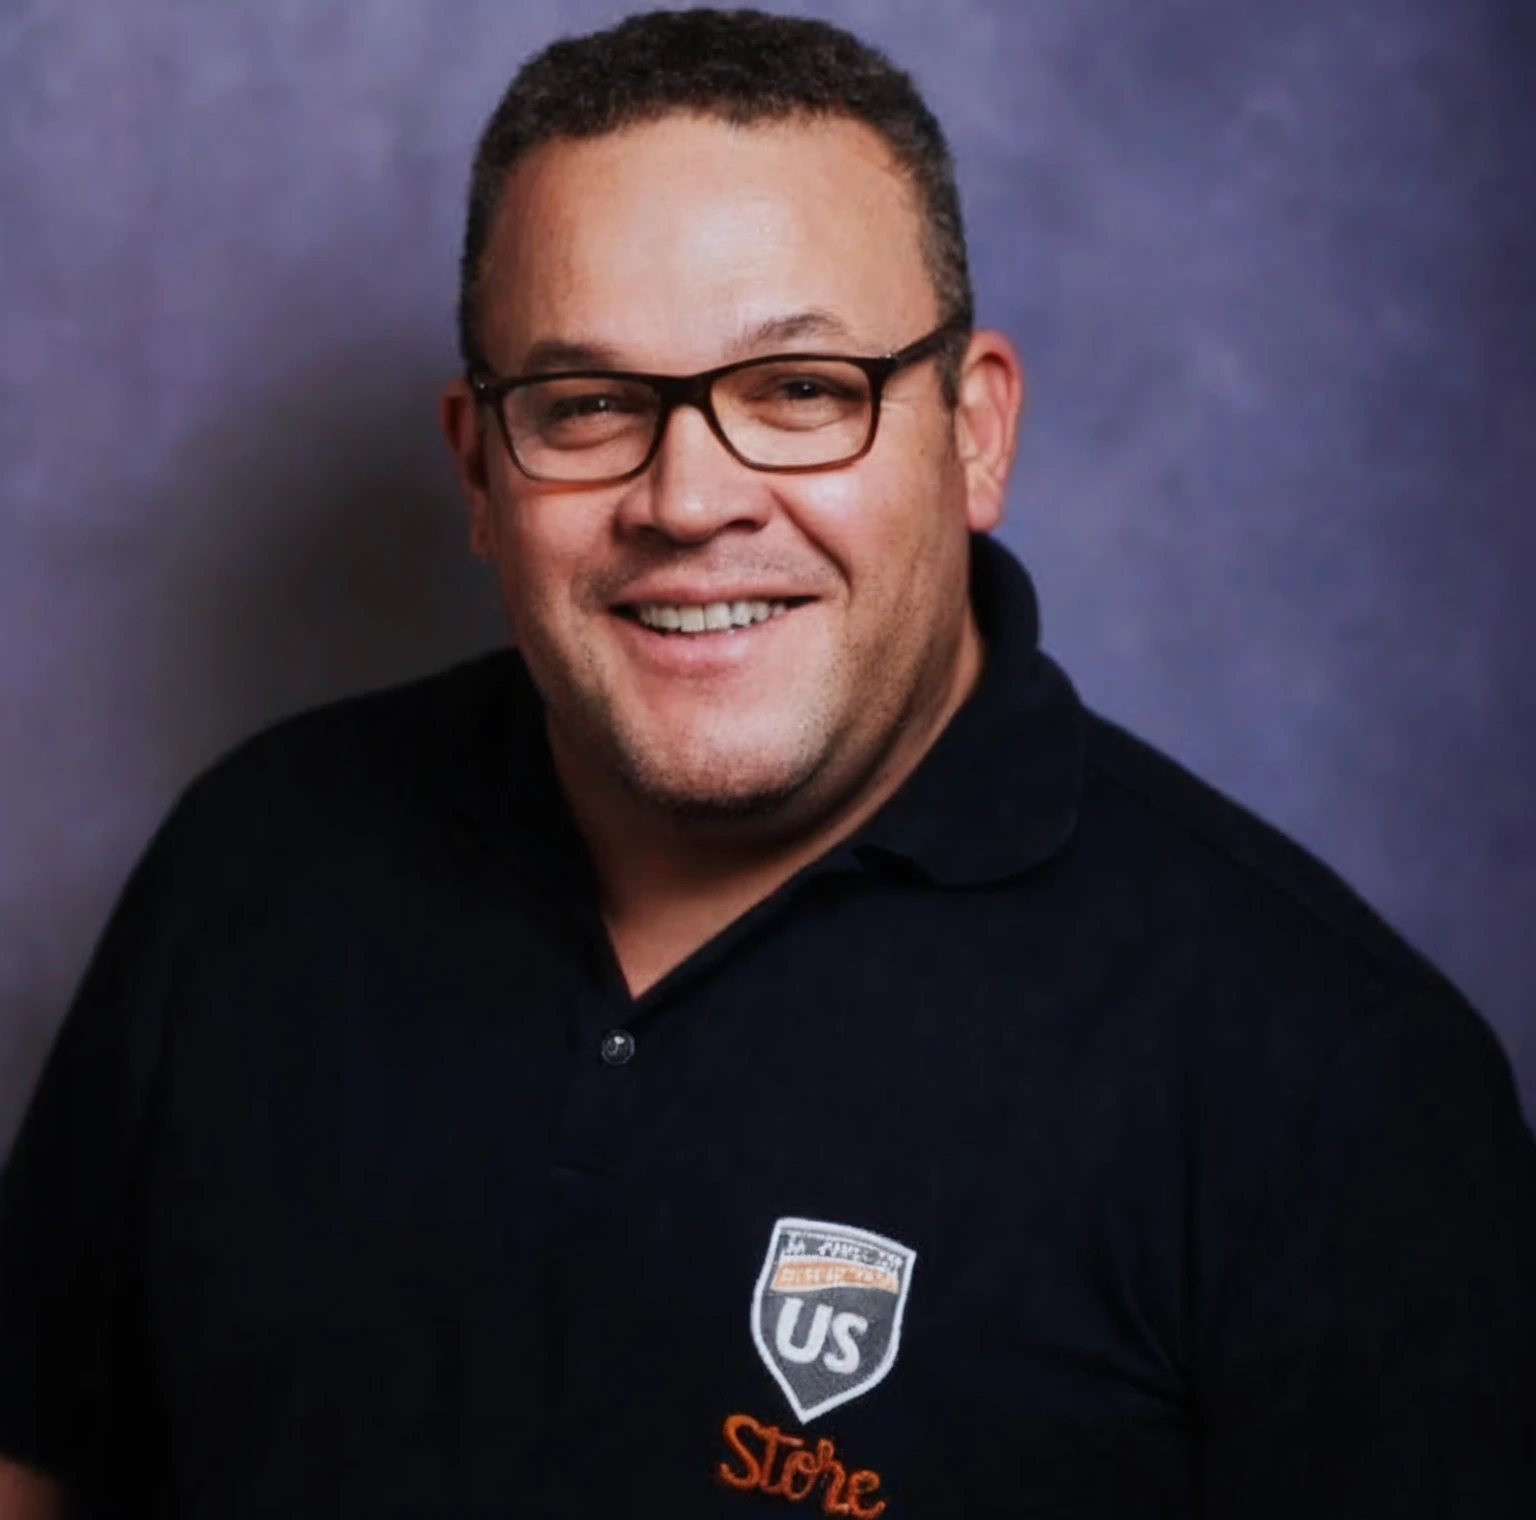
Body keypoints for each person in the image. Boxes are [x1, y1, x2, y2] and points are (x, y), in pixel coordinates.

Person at [1, 7, 1533, 1516]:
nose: (687, 498)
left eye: (801, 392)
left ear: (975, 432)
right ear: (480, 467)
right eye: (589, 405)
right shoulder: (255, 865)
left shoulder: (1334, 1089)